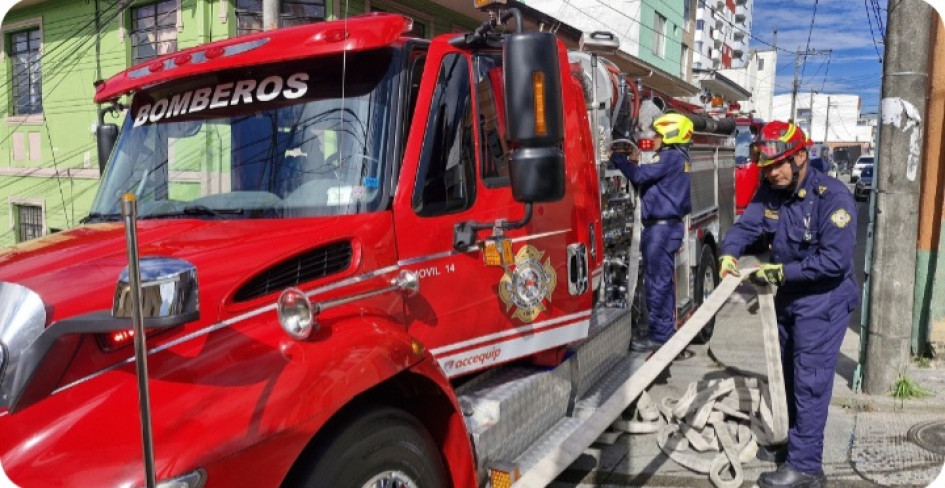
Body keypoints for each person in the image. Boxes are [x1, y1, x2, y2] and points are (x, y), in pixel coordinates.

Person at [718, 121, 859, 488]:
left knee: (809, 381)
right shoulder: (771, 192)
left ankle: (807, 468)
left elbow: (834, 261)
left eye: (780, 164)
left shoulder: (833, 198)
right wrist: (728, 254)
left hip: (824, 300)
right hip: (791, 299)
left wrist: (780, 274)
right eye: (768, 167)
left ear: (800, 156)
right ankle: (792, 448)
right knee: (788, 376)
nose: (773, 173)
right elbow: (747, 227)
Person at [610, 112, 693, 353]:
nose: (653, 138)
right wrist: (633, 164)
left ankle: (658, 336)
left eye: (658, 134)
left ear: (670, 134)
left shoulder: (668, 158)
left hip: (661, 231)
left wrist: (616, 157)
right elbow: (644, 181)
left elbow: (638, 176)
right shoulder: (679, 158)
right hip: (667, 229)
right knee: (663, 283)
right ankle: (665, 332)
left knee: (656, 283)